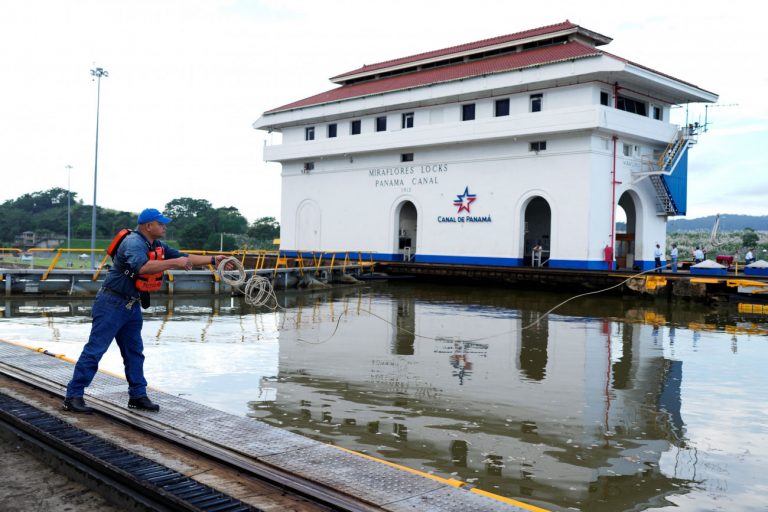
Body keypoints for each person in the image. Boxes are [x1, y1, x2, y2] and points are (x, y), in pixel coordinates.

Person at [63, 208, 231, 414]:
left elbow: (184, 257)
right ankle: (73, 396)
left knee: (134, 352)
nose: (164, 227)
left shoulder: (156, 245)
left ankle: (137, 396)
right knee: (95, 350)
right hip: (111, 303)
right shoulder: (133, 242)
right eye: (161, 224)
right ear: (148, 226)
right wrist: (174, 263)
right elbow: (141, 267)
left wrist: (215, 260)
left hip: (131, 305)